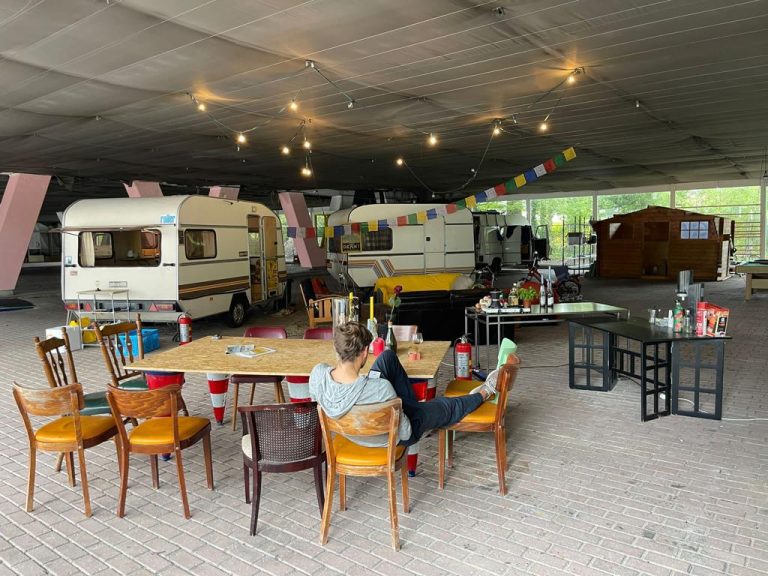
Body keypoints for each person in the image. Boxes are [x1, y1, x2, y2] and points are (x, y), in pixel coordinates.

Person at [309, 322, 496, 447]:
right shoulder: (380, 388)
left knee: (387, 356)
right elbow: (405, 432)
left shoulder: (318, 374)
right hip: (387, 436)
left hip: (351, 432)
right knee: (445, 406)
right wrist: (406, 409)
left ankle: (411, 406)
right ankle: (484, 393)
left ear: (337, 349)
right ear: (365, 351)